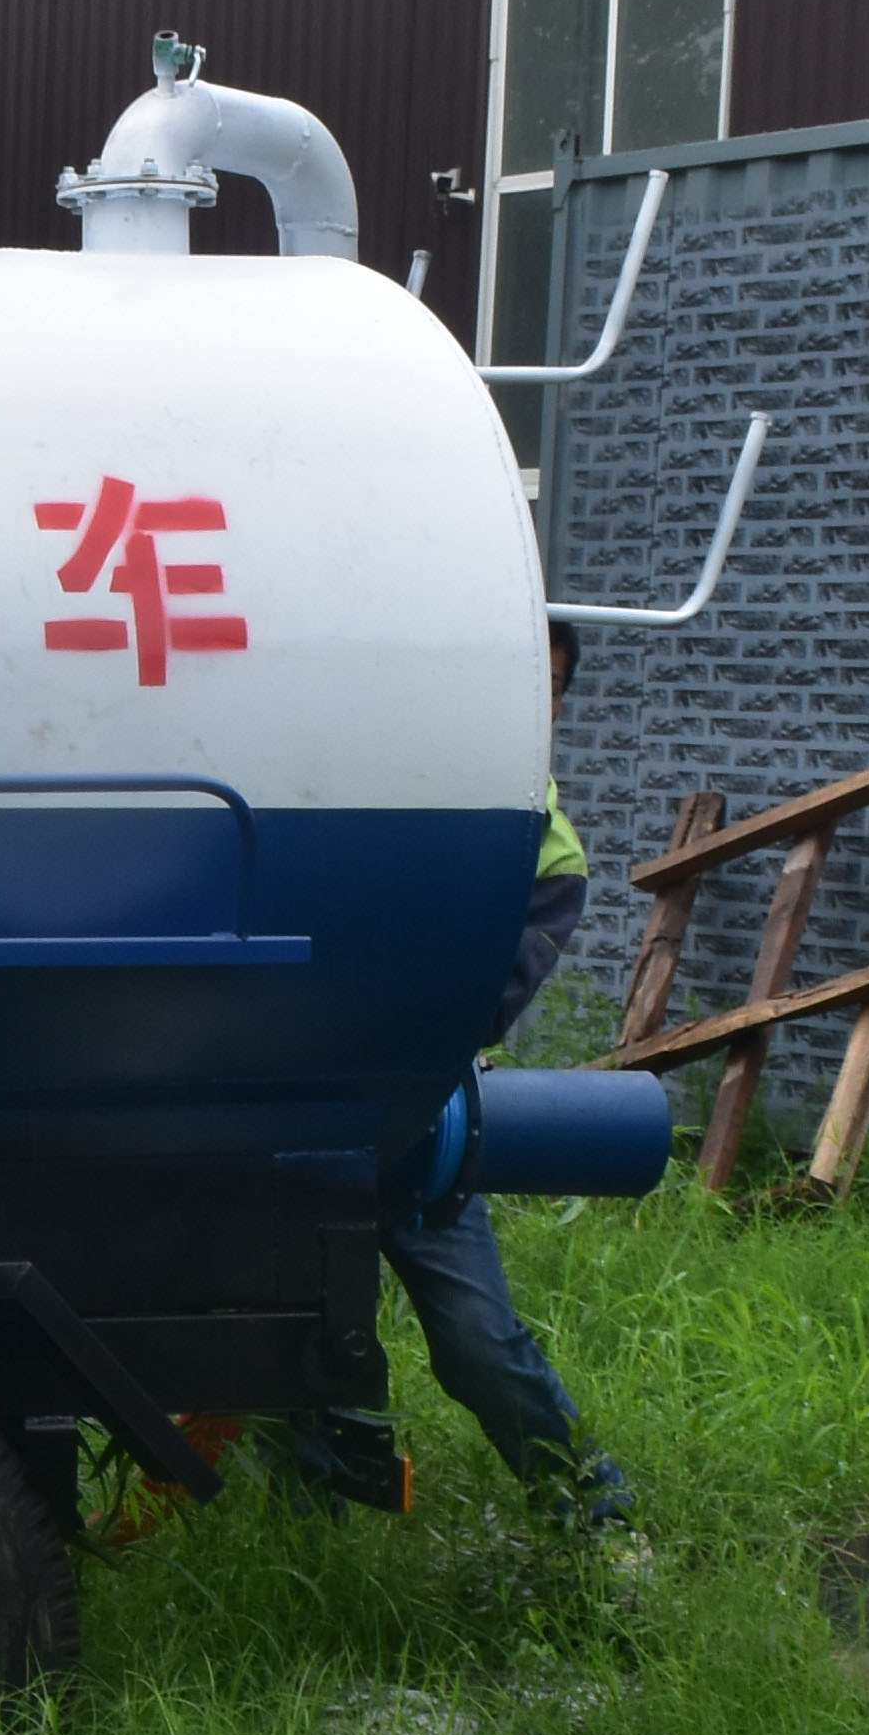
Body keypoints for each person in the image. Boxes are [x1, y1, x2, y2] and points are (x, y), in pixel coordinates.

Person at [289, 616, 629, 1523]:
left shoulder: (545, 850)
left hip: (419, 1128)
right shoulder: (383, 790)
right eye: (523, 679)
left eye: (552, 688)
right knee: (287, 1338)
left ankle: (598, 1521)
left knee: (479, 1346)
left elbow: (481, 1005)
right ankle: (307, 1530)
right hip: (303, 1117)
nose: (536, 702)